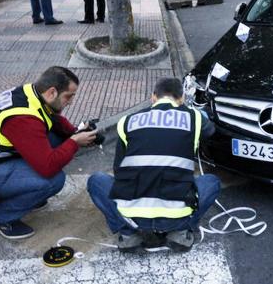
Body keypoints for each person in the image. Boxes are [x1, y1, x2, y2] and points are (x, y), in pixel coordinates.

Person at [0, 66, 98, 239]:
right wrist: (74, 141)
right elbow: (47, 167)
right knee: (53, 180)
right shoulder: (23, 120)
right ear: (52, 92)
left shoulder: (30, 93)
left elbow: (51, 118)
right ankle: (0, 216)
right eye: (68, 96)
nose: (70, 101)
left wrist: (74, 132)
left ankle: (27, 193)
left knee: (56, 140)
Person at [87, 78, 220, 252]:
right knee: (211, 182)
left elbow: (119, 171)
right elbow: (210, 130)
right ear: (181, 99)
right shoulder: (193, 117)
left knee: (96, 180)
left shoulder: (127, 121)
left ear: (153, 97)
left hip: (132, 217)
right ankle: (179, 234)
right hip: (176, 217)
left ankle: (128, 236)